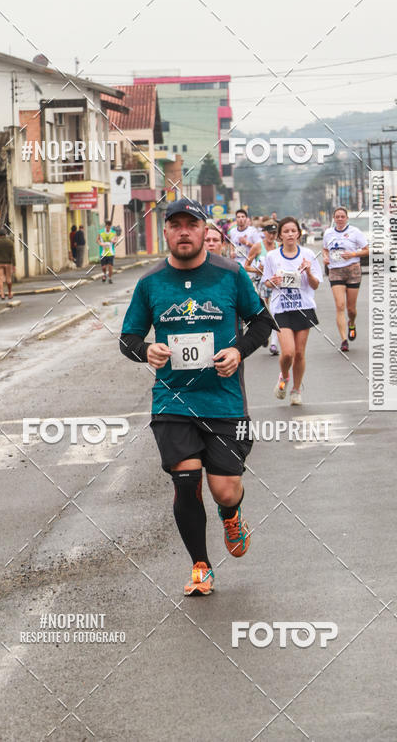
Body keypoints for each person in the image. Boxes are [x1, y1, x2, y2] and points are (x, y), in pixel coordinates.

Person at [120, 198, 272, 596]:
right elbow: (128, 338)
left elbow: (262, 322)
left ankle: (231, 513)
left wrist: (238, 351)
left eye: (192, 224)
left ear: (206, 231)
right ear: (166, 232)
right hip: (172, 401)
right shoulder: (150, 283)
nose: (184, 232)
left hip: (224, 402)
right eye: (176, 225)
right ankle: (201, 566)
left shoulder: (230, 274)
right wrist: (146, 350)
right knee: (186, 480)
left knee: (225, 489)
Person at [262, 216, 322, 405]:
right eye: (285, 231)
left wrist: (309, 272)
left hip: (303, 307)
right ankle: (284, 376)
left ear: (298, 234)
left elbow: (315, 284)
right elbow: (266, 282)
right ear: (280, 235)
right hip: (281, 309)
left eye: (293, 231)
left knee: (299, 353)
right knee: (288, 352)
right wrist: (273, 281)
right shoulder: (272, 256)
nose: (290, 234)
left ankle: (296, 390)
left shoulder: (308, 255)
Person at [322, 206, 369, 353]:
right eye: (337, 217)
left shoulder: (355, 232)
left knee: (351, 309)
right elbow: (325, 249)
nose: (340, 219)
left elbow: (367, 250)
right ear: (334, 219)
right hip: (335, 271)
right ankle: (343, 340)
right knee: (340, 305)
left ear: (347, 218)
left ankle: (352, 323)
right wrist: (325, 257)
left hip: (352, 270)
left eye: (343, 216)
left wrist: (353, 254)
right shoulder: (328, 233)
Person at [244, 221, 280, 355]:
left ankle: (274, 344)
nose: (272, 236)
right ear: (264, 233)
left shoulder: (279, 246)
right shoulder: (258, 247)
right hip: (263, 282)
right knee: (266, 311)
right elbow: (246, 266)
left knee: (275, 311)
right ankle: (265, 334)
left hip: (276, 283)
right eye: (270, 233)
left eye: (274, 233)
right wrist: (258, 270)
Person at [0, 227, 15, 300]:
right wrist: (14, 265)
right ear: (5, 235)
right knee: (8, 279)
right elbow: (13, 255)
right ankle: (9, 293)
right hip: (8, 263)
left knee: (0, 279)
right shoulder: (10, 242)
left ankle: (2, 294)